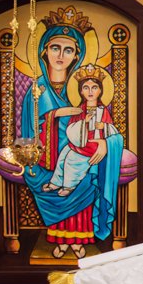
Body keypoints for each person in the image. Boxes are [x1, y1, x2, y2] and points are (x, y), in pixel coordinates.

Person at [17, 9, 125, 259]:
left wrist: (104, 145)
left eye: (68, 50)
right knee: (51, 178)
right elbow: (28, 132)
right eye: (55, 48)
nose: (60, 55)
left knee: (86, 176)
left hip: (85, 155)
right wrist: (56, 114)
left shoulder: (84, 88)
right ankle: (59, 239)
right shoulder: (37, 91)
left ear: (77, 54)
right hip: (45, 158)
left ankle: (80, 241)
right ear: (44, 50)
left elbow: (108, 129)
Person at [42, 67, 115, 198]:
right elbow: (71, 128)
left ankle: (69, 185)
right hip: (79, 142)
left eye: (94, 87)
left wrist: (103, 125)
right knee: (64, 153)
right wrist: (84, 123)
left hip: (94, 145)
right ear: (81, 91)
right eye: (86, 88)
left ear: (100, 91)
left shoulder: (103, 110)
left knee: (72, 158)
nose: (90, 91)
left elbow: (111, 130)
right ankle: (56, 182)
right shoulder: (80, 110)